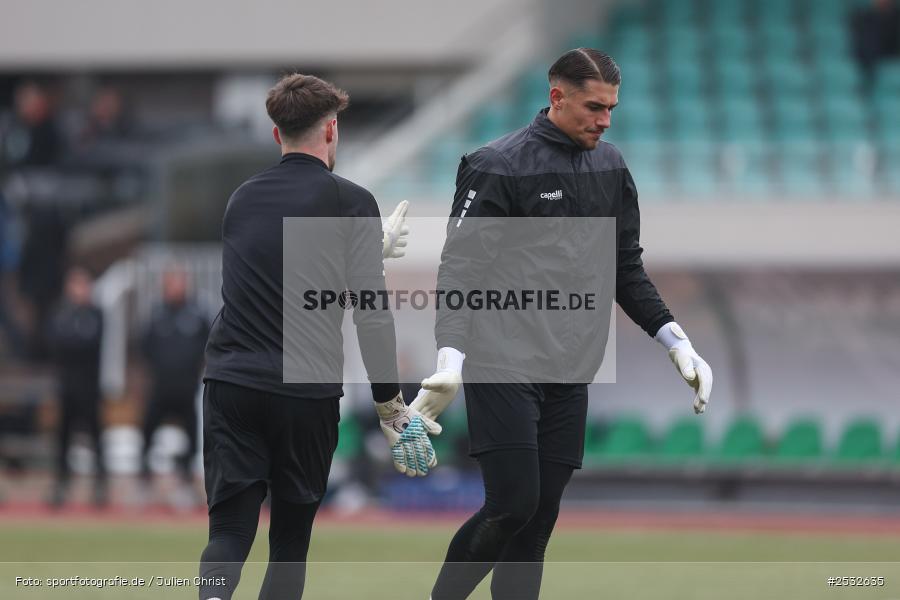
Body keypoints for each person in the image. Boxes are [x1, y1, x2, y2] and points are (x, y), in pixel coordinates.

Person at [410, 49, 714, 600]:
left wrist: (675, 339)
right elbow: (459, 269)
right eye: (594, 107)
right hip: (502, 361)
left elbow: (625, 266)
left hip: (571, 366)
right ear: (557, 97)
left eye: (612, 109)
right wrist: (449, 361)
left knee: (540, 519)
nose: (605, 120)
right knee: (513, 505)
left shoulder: (612, 167)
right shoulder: (495, 164)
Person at [197, 73, 438, 600]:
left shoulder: (242, 199)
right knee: (289, 543)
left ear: (275, 132)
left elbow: (276, 270)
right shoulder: (351, 201)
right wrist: (391, 407)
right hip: (304, 392)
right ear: (331, 130)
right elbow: (370, 314)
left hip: (233, 381)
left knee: (229, 532)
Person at [138, 266, 210, 501]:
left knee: (191, 436)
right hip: (161, 387)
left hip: (187, 388)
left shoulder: (196, 314)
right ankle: (144, 482)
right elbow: (144, 347)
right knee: (147, 432)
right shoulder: (158, 314)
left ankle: (186, 484)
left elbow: (209, 345)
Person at [46, 267, 107, 508]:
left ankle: (100, 486)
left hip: (90, 388)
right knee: (63, 439)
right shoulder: (60, 313)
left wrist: (73, 341)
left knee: (95, 438)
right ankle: (61, 485)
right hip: (66, 388)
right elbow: (57, 344)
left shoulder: (96, 314)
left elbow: (89, 344)